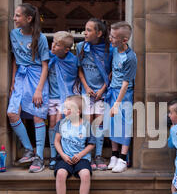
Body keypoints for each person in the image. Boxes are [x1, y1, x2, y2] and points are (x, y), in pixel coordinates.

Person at [7, 3, 49, 173]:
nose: (14, 18)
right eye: (15, 15)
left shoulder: (41, 38)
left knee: (38, 116)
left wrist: (39, 89)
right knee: (12, 113)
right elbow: (15, 59)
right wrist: (12, 82)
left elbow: (45, 65)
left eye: (17, 15)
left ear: (28, 19)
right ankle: (28, 149)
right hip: (20, 78)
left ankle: (39, 157)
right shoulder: (13, 34)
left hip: (37, 76)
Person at [76, 18, 113, 171]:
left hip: (101, 92)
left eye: (89, 30)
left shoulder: (109, 49)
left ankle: (98, 155)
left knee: (99, 123)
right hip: (87, 91)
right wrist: (86, 86)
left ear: (99, 33)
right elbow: (79, 69)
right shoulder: (81, 47)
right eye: (85, 29)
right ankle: (88, 155)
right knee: (87, 122)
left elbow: (112, 71)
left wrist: (102, 89)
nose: (85, 32)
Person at [54, 95, 95, 194]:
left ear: (78, 111)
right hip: (64, 157)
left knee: (85, 174)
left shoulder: (87, 125)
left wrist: (81, 155)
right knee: (60, 174)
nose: (65, 111)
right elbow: (56, 141)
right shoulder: (61, 123)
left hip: (81, 158)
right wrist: (63, 155)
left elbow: (91, 144)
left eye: (68, 109)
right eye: (64, 108)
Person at [105, 21, 137, 173]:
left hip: (124, 94)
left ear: (124, 40)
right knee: (112, 124)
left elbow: (126, 83)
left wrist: (117, 103)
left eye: (113, 37)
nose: (110, 39)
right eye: (110, 35)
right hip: (112, 90)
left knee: (125, 126)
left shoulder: (130, 58)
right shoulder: (114, 50)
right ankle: (114, 155)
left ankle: (123, 159)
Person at [47, 31, 79, 170]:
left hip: (66, 97)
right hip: (52, 96)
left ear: (66, 49)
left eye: (57, 44)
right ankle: (53, 155)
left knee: (62, 123)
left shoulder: (72, 61)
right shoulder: (49, 57)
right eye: (53, 42)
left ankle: (64, 153)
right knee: (52, 122)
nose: (53, 46)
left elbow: (74, 79)